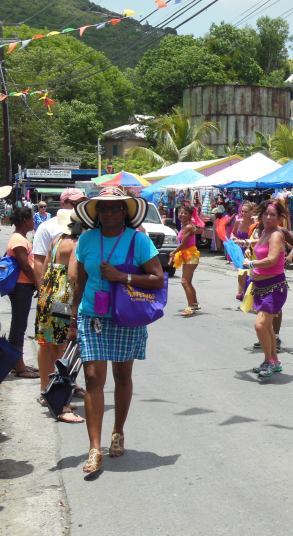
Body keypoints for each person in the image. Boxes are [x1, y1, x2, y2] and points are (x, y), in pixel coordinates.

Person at [68, 187, 165, 474]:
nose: (109, 213)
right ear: (96, 213)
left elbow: (158, 279)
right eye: (104, 208)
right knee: (93, 378)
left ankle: (118, 431)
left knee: (122, 376)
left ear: (126, 211)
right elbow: (80, 283)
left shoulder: (138, 241)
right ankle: (94, 448)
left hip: (125, 317)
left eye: (115, 207)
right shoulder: (86, 239)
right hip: (92, 317)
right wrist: (73, 319)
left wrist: (123, 276)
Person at [34, 209, 85, 422]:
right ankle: (60, 402)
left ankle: (46, 391)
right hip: (64, 295)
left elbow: (45, 267)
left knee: (48, 344)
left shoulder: (56, 240)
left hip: (48, 291)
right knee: (62, 349)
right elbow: (73, 275)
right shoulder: (76, 243)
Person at [242, 200, 291, 378]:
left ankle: (268, 361)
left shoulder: (276, 235)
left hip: (274, 287)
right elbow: (261, 250)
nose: (268, 217)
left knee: (260, 325)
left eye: (272, 215)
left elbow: (271, 260)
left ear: (279, 218)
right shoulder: (264, 232)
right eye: (265, 214)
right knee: (267, 327)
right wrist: (250, 250)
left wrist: (252, 263)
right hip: (260, 287)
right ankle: (275, 361)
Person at [7, 207, 40, 379]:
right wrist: (38, 283)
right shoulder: (17, 239)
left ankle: (17, 363)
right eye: (32, 219)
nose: (33, 222)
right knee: (19, 326)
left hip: (24, 286)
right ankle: (18, 366)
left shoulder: (21, 238)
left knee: (19, 325)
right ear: (25, 221)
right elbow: (25, 266)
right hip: (20, 287)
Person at [32, 189, 87, 291]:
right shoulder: (47, 227)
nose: (79, 207)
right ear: (62, 204)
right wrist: (42, 291)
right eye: (75, 203)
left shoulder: (89, 226)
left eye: (82, 203)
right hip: (59, 290)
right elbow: (39, 260)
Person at [168, 205, 200, 316]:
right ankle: (195, 304)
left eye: (185, 213)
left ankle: (190, 307)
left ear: (190, 215)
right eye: (181, 212)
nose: (182, 215)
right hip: (186, 255)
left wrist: (173, 253)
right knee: (188, 282)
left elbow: (183, 244)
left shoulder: (188, 227)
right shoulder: (184, 226)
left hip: (191, 255)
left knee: (184, 282)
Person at [231, 203, 255, 300]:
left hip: (250, 250)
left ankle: (247, 294)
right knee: (241, 272)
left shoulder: (254, 222)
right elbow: (232, 233)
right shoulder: (238, 221)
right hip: (240, 250)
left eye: (246, 211)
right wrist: (233, 238)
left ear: (251, 213)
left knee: (249, 273)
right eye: (242, 211)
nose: (243, 213)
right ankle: (240, 292)